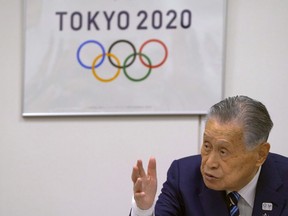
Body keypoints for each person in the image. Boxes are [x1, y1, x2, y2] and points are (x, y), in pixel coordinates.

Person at [130, 95, 288, 216]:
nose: (209, 163)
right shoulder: (183, 177)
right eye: (207, 146)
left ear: (260, 154)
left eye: (223, 151)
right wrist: (144, 209)